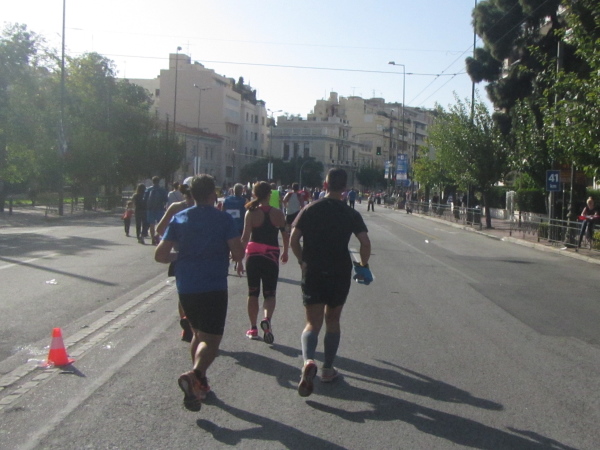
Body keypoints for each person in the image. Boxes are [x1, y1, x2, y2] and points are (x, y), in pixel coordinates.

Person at [155, 175, 245, 412]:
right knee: (211, 340)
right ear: (213, 194)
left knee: (197, 333)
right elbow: (238, 254)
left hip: (186, 287)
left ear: (191, 195)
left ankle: (200, 384)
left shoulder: (180, 217)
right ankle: (194, 375)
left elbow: (160, 255)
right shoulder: (223, 219)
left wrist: (182, 255)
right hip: (213, 285)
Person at [290, 168, 372, 397]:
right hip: (339, 271)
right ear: (345, 188)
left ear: (325, 185)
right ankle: (327, 369)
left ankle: (308, 361)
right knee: (333, 320)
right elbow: (365, 242)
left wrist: (301, 260)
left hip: (313, 270)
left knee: (312, 323)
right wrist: (363, 265)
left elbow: (293, 239)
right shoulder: (350, 213)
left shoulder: (310, 209)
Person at [238, 181, 289, 343]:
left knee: (253, 292)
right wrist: (285, 251)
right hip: (271, 255)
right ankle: (266, 319)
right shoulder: (278, 213)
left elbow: (245, 238)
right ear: (269, 194)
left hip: (253, 255)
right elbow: (285, 233)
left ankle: (253, 328)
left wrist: (239, 259)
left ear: (254, 194)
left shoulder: (250, 212)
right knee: (269, 293)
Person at [156, 180, 195, 342]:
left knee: (183, 292)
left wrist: (172, 239)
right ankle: (194, 324)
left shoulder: (176, 207)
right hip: (200, 255)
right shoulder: (203, 208)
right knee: (200, 292)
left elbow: (160, 229)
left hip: (180, 255)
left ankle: (185, 321)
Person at [144, 176, 168, 245]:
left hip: (150, 209)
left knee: (152, 224)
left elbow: (144, 199)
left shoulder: (148, 189)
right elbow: (166, 199)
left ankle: (152, 239)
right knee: (160, 224)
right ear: (158, 181)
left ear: (152, 181)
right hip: (160, 208)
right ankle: (157, 236)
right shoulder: (162, 190)